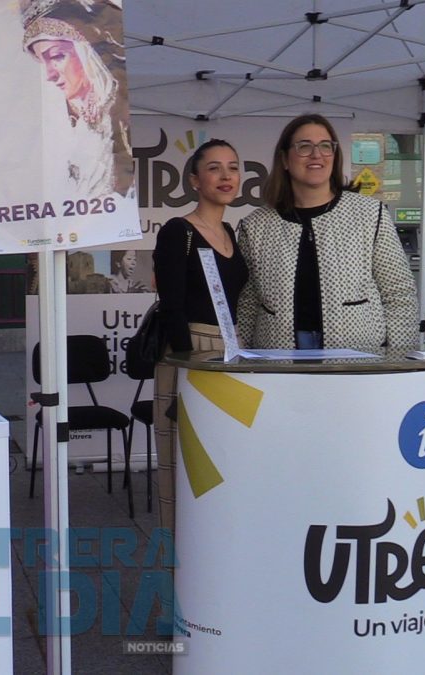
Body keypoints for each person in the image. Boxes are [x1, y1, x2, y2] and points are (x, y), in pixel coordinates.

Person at [237, 114, 418, 351]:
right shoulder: (257, 226)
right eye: (304, 146)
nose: (316, 154)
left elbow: (399, 293)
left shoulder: (370, 214)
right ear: (284, 159)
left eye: (325, 146)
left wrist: (398, 358)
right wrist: (244, 361)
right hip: (278, 357)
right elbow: (248, 303)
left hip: (358, 358)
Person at [151, 138, 249, 532]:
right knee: (182, 469)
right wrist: (190, 372)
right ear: (194, 179)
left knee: (219, 468)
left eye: (233, 167)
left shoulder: (229, 231)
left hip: (228, 352)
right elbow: (172, 307)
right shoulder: (179, 231)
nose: (226, 176)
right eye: (214, 168)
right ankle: (177, 573)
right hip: (188, 354)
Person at [22, 0, 133, 198]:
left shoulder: (120, 113)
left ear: (87, 53)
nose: (50, 74)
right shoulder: (68, 123)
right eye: (43, 61)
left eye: (56, 57)